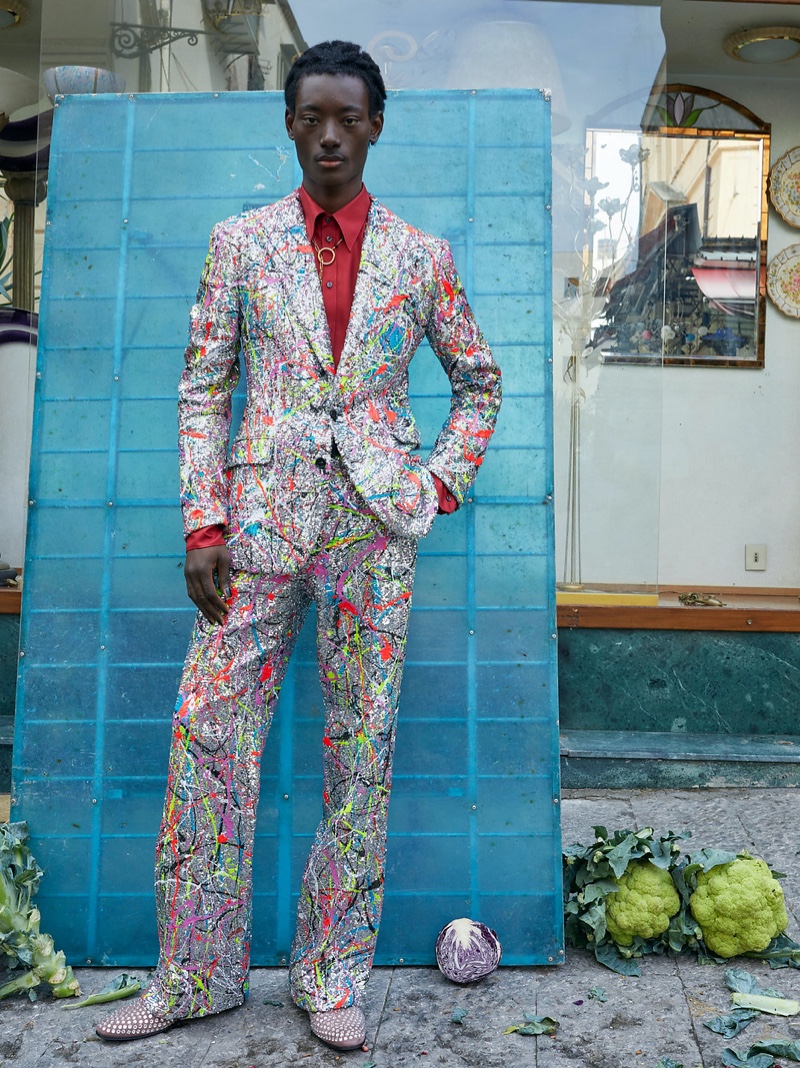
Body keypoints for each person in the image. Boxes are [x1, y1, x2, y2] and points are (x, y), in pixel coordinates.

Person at [96, 39, 501, 1051]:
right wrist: (204, 518)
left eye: (347, 117)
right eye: (311, 116)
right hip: (256, 535)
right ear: (288, 124)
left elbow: (478, 384)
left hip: (374, 535)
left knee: (357, 757)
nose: (329, 134)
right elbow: (202, 386)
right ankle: (194, 975)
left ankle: (329, 976)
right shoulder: (239, 243)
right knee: (206, 743)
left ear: (373, 125)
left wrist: (435, 482)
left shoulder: (419, 257)